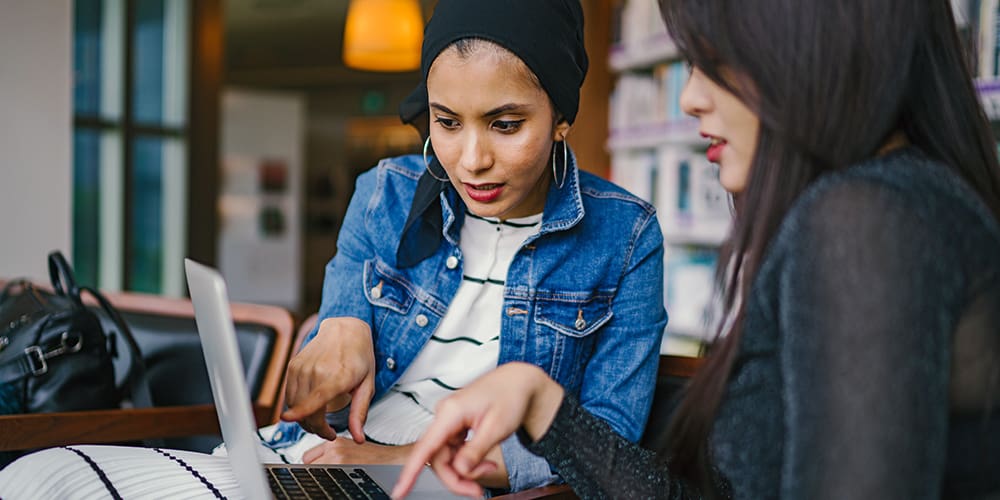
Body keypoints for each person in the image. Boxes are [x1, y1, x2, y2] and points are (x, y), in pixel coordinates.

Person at [0, 1, 667, 496]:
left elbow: (601, 449)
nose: (470, 159)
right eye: (445, 123)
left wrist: (414, 462)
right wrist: (334, 330)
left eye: (506, 124)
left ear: (563, 120)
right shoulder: (387, 190)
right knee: (37, 476)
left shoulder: (626, 236)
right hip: (312, 459)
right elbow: (327, 374)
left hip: (435, 487)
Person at [395, 0, 1000, 498]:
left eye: (714, 62)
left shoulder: (867, 221)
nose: (690, 98)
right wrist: (542, 403)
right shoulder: (902, 203)